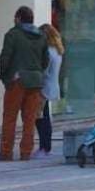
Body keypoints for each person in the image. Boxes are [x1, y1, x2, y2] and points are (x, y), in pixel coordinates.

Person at [0, 6, 49, 162]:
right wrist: (37, 72)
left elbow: (5, 58)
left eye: (15, 17)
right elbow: (46, 61)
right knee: (30, 119)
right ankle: (26, 152)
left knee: (10, 117)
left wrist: (5, 77)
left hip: (17, 80)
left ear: (18, 18)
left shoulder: (13, 34)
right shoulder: (42, 36)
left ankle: (6, 151)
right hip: (36, 81)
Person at [33, 24, 65, 159]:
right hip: (52, 86)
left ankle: (44, 147)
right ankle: (46, 147)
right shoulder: (57, 50)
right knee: (45, 117)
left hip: (44, 87)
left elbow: (44, 71)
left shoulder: (47, 52)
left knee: (40, 119)